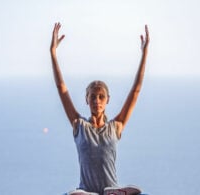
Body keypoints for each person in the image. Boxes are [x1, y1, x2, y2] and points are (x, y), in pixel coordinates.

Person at [50, 22, 149, 195]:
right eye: (93, 96)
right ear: (86, 99)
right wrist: (53, 54)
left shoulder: (116, 126)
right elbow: (61, 88)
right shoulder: (79, 125)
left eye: (101, 96)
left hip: (111, 190)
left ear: (107, 100)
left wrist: (144, 54)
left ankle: (114, 193)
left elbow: (135, 91)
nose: (97, 100)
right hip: (85, 191)